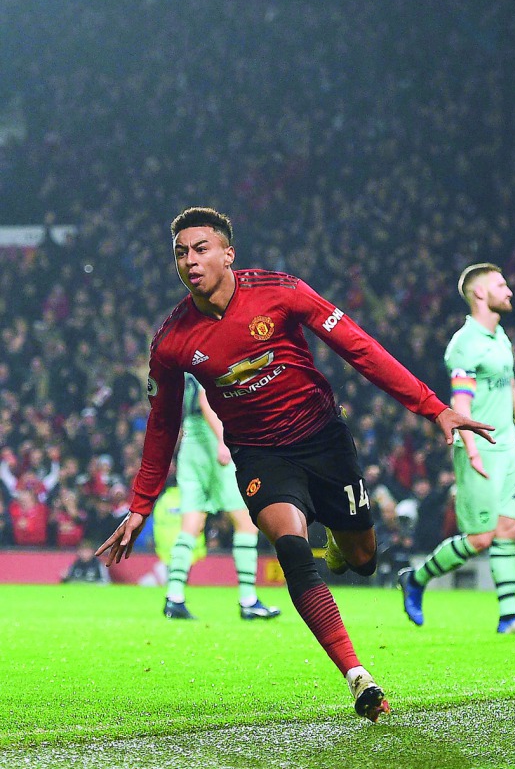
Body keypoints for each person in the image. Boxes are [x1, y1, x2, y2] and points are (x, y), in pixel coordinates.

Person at [96, 207, 494, 722]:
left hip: (324, 440)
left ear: (227, 253)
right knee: (290, 546)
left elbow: (359, 347)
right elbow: (161, 424)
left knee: (362, 557)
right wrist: (140, 504)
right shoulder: (173, 340)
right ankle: (358, 677)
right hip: (260, 454)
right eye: (180, 252)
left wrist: (432, 406)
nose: (189, 261)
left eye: (200, 248)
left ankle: (338, 546)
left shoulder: (279, 292)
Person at [397, 263, 515, 636]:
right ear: (481, 294)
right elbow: (459, 402)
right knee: (481, 538)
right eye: (501, 285)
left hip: (508, 450)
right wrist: (472, 447)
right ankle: (416, 578)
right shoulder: (464, 345)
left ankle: (509, 616)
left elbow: (509, 386)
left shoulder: (500, 338)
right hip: (478, 450)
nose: (509, 291)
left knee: (508, 529)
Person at [162, 374, 281, 621]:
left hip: (191, 443)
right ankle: (248, 600)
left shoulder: (185, 363)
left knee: (191, 526)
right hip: (213, 438)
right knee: (246, 523)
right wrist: (222, 440)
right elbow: (207, 399)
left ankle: (174, 598)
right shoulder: (207, 353)